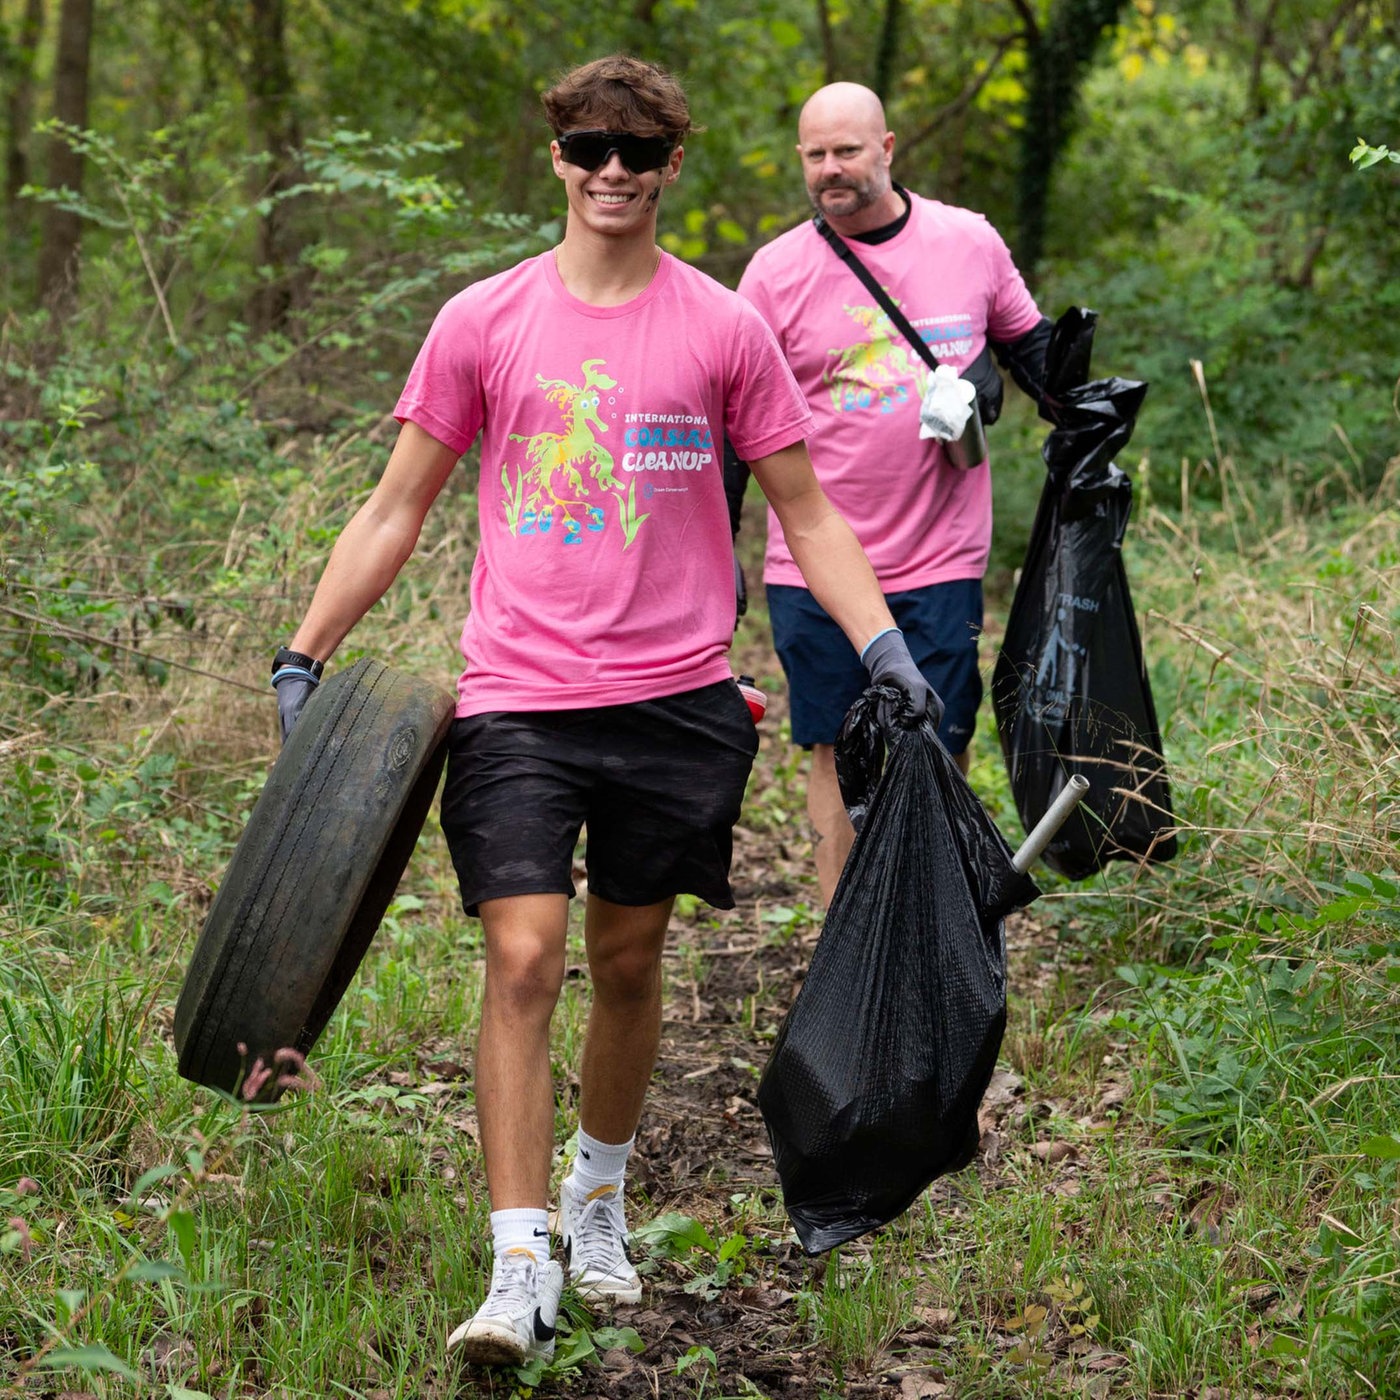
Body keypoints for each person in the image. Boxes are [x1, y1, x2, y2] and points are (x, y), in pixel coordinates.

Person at [270, 57, 934, 1371]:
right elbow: (398, 502)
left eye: (638, 151)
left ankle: (600, 1198)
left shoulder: (722, 328)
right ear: (557, 158)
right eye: (589, 147)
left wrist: (887, 651)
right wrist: (305, 650)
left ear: (672, 163)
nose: (612, 170)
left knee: (629, 962)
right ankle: (520, 1264)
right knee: (521, 958)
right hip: (518, 697)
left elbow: (805, 508)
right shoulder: (485, 321)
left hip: (679, 703)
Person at [729, 81, 1055, 907]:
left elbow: (1034, 352)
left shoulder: (968, 243)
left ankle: (931, 931)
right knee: (840, 755)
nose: (831, 169)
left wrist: (1078, 402)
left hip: (941, 558)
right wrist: (713, 551)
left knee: (938, 746)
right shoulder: (774, 273)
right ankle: (848, 944)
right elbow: (728, 419)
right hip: (814, 567)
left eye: (847, 150)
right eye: (815, 155)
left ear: (888, 148)